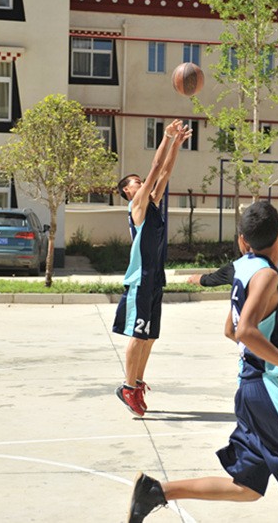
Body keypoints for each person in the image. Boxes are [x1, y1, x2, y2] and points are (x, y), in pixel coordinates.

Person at [128, 201, 278, 523]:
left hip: (249, 390)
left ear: (242, 240)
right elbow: (245, 331)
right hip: (268, 389)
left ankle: (156, 491)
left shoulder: (242, 268)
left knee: (248, 486)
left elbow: (232, 330)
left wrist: (275, 354)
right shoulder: (267, 275)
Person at [112, 120, 192, 417]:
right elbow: (156, 167)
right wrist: (166, 137)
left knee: (150, 335)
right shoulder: (137, 206)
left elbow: (165, 172)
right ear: (128, 191)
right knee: (138, 333)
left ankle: (136, 383)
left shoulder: (153, 204)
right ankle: (127, 386)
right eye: (136, 181)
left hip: (155, 277)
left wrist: (177, 146)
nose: (141, 181)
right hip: (140, 278)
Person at [187, 241, 278, 366]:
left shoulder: (236, 269)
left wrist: (194, 279)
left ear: (243, 241)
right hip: (277, 345)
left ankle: (261, 353)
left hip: (255, 354)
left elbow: (209, 280)